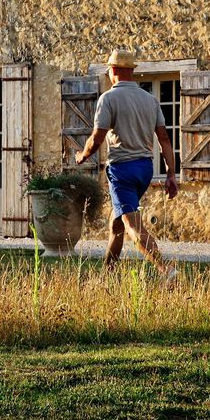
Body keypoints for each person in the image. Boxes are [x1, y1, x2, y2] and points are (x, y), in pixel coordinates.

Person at [75, 49, 178, 280]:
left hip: (122, 170)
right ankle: (107, 276)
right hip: (145, 169)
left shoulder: (108, 99)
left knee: (132, 226)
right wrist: (171, 174)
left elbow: (97, 138)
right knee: (117, 224)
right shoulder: (150, 100)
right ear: (131, 71)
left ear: (113, 70)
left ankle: (167, 270)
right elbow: (164, 140)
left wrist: (82, 155)